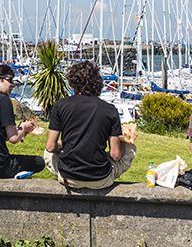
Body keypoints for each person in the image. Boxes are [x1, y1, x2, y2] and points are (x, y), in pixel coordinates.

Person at [43, 60, 136, 189]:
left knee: (48, 152)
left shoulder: (60, 106)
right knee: (132, 147)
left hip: (68, 177)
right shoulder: (110, 110)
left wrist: (62, 146)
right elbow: (115, 155)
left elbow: (50, 147)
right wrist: (125, 140)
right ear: (97, 83)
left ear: (73, 81)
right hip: (100, 179)